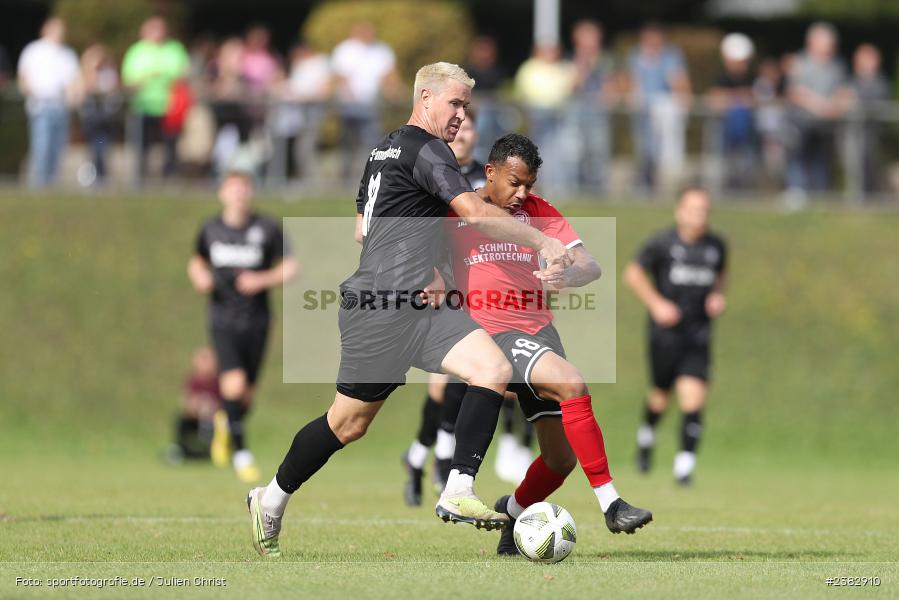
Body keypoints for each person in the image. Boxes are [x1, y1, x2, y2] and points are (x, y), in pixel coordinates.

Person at [245, 62, 573, 558]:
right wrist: (541, 241)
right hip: (380, 306)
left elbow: (364, 227)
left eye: (467, 105)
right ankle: (269, 498)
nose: (462, 115)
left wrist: (429, 264)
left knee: (492, 368)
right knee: (348, 423)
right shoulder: (429, 149)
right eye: (455, 104)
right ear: (425, 98)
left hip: (418, 304)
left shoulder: (384, 148)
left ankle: (457, 488)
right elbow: (476, 214)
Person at [447, 133, 653, 555]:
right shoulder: (460, 212)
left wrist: (568, 275)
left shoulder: (539, 212)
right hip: (495, 333)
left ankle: (512, 511)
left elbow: (589, 264)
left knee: (560, 460)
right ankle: (611, 503)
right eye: (514, 182)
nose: (522, 194)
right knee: (573, 383)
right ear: (490, 173)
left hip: (540, 333)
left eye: (529, 185)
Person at [188, 167, 299, 482]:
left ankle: (227, 421)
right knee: (233, 385)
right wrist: (200, 277)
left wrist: (260, 280)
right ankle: (241, 454)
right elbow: (196, 260)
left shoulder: (266, 228)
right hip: (223, 319)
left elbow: (290, 267)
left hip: (258, 320)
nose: (239, 194)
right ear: (223, 193)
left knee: (245, 395)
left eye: (244, 189)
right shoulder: (210, 229)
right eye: (233, 189)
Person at [401, 111, 487, 506]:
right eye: (459, 127)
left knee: (468, 382)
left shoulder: (488, 179)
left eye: (470, 127)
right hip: (443, 287)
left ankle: (423, 458)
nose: (463, 133)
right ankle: (435, 461)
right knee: (445, 386)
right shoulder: (432, 172)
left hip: (480, 288)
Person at [624, 186, 728, 485]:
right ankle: (646, 437)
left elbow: (721, 275)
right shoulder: (662, 243)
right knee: (660, 396)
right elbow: (633, 273)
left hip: (698, 334)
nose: (699, 216)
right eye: (693, 209)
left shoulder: (716, 246)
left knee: (693, 399)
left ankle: (684, 467)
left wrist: (718, 296)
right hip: (665, 335)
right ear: (679, 212)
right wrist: (657, 304)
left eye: (705, 210)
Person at [786, 22, 853, 198]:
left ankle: (820, 193)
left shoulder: (837, 66)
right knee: (799, 157)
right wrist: (818, 106)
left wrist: (837, 106)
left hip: (826, 124)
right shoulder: (800, 62)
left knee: (822, 161)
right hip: (802, 122)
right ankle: (797, 191)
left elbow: (844, 91)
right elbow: (795, 92)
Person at [625, 23, 692, 194]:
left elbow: (679, 82)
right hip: (642, 112)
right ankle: (645, 184)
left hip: (663, 111)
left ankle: (666, 187)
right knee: (643, 149)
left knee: (666, 150)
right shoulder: (635, 56)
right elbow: (629, 82)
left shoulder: (671, 57)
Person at [121, 16, 190, 179]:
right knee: (142, 146)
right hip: (143, 106)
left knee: (171, 146)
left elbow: (184, 75)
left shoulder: (175, 49)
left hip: (170, 107)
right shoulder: (136, 51)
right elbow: (128, 81)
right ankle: (141, 179)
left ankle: (169, 177)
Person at [331, 22, 401, 180]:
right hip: (349, 104)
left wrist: (393, 92)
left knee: (372, 141)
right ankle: (345, 176)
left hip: (371, 105)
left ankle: (371, 174)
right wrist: (351, 97)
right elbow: (341, 76)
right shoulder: (346, 49)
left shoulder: (381, 50)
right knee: (348, 142)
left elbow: (388, 76)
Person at [16, 17, 80, 188]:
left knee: (57, 148)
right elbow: (24, 76)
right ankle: (39, 184)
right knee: (42, 146)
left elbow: (74, 81)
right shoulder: (34, 50)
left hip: (61, 106)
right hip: (41, 105)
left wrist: (74, 98)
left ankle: (51, 184)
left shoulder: (68, 54)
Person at [562, 19, 616, 194]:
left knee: (598, 152)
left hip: (598, 115)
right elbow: (571, 86)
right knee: (574, 153)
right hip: (576, 114)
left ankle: (597, 191)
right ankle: (574, 189)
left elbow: (611, 88)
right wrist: (583, 66)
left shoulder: (606, 60)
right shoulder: (570, 60)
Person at [514, 42, 576, 194]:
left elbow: (571, 87)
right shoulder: (529, 68)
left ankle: (558, 185)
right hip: (536, 117)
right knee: (537, 151)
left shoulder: (563, 68)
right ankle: (536, 183)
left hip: (558, 117)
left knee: (557, 152)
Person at [709, 33, 756, 192]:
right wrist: (739, 97)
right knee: (724, 163)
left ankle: (744, 189)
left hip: (747, 131)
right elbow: (715, 99)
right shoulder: (721, 78)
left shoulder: (752, 78)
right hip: (725, 129)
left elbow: (755, 98)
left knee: (745, 162)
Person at [166, 346, 222, 463]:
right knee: (181, 419)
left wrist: (212, 408)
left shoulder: (218, 381)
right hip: (195, 418)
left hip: (214, 419)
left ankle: (218, 451)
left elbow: (224, 402)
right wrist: (196, 407)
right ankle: (180, 449)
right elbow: (186, 401)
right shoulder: (193, 380)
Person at [78, 44, 122, 186]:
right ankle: (95, 175)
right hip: (91, 118)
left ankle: (101, 176)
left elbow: (111, 90)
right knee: (93, 148)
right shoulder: (84, 74)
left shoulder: (109, 73)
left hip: (105, 119)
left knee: (101, 147)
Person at [850, 44, 890, 197]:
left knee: (872, 166)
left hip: (873, 132)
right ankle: (857, 196)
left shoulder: (881, 82)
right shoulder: (852, 80)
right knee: (855, 166)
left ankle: (872, 196)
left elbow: (876, 101)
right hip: (855, 132)